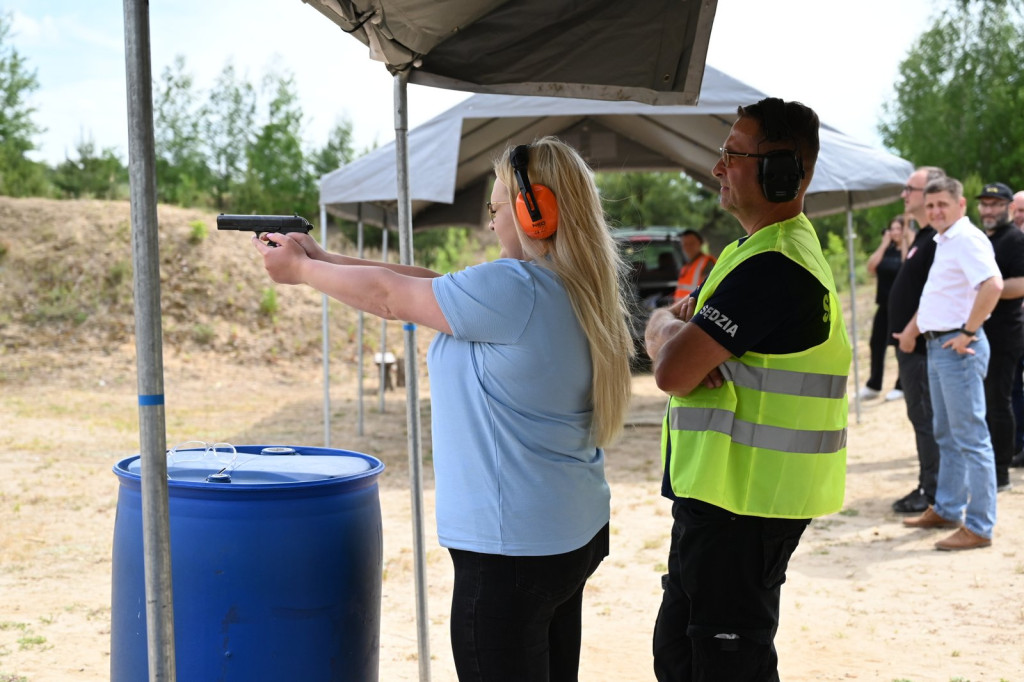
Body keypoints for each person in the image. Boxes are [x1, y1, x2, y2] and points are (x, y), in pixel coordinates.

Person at [254, 136, 634, 681]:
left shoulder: (515, 287)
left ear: (535, 211)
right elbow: (433, 287)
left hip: (512, 552)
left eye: (497, 208)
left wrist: (301, 273)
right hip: (565, 533)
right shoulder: (569, 285)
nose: (491, 223)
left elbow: (388, 296)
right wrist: (323, 259)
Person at [645, 97, 850, 681]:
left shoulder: (776, 266)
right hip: (720, 500)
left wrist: (666, 330)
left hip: (746, 507)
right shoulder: (744, 254)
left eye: (732, 154)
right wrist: (671, 327)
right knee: (682, 657)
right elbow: (672, 339)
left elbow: (672, 373)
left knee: (728, 667)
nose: (717, 169)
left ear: (782, 170)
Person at [899, 177, 1003, 551]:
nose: (935, 211)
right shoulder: (946, 240)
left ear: (960, 205)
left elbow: (993, 285)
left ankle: (979, 526)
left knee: (971, 439)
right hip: (940, 347)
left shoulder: (968, 238)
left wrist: (968, 331)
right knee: (946, 433)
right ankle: (947, 508)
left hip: (958, 348)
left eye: (942, 204)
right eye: (930, 206)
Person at [887, 166, 947, 514]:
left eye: (910, 188)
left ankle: (933, 490)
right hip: (911, 346)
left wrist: (911, 331)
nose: (904, 194)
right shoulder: (924, 236)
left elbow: (933, 295)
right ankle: (931, 484)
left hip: (921, 346)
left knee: (926, 418)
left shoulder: (936, 239)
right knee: (921, 417)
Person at [974, 182, 1024, 492]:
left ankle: (1002, 471)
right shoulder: (982, 239)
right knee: (985, 402)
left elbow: (1020, 284)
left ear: (1007, 207)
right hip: (980, 333)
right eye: (985, 204)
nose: (989, 210)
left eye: (995, 204)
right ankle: (990, 464)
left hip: (1006, 334)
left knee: (999, 401)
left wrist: (983, 289)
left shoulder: (1014, 239)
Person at [859, 216, 909, 401]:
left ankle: (901, 385)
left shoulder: (908, 249)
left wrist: (904, 241)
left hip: (901, 306)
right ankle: (874, 384)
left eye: (899, 228)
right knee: (876, 343)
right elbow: (871, 267)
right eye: (893, 228)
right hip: (883, 304)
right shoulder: (886, 250)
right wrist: (884, 243)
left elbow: (907, 267)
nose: (895, 232)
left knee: (898, 346)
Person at [672, 228, 716, 300]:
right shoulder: (686, 266)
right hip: (682, 308)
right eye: (685, 244)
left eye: (692, 243)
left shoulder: (707, 263)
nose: (688, 247)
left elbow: (709, 292)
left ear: (700, 243)